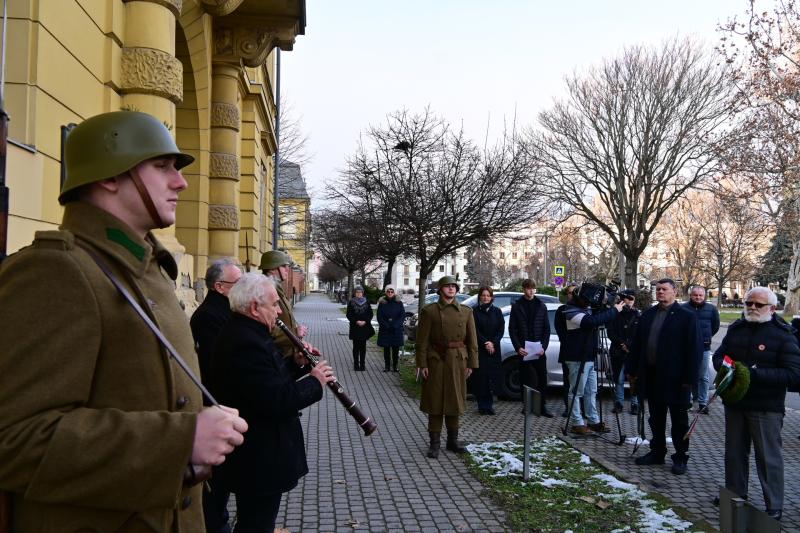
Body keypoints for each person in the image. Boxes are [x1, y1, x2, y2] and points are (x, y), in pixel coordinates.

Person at [0, 110, 247, 531]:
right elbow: (15, 438)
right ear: (109, 176)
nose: (181, 182)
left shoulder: (145, 267)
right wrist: (180, 441)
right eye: (162, 166)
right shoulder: (58, 271)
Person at [211, 273, 335, 532]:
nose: (279, 310)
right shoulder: (246, 342)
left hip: (259, 455)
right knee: (256, 525)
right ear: (255, 307)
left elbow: (267, 383)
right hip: (259, 458)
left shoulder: (249, 333)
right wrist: (314, 381)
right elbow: (275, 401)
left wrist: (297, 364)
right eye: (275, 304)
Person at [711, 287, 800, 521]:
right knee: (734, 454)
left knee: (768, 458)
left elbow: (793, 375)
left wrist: (754, 374)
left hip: (766, 407)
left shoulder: (783, 335)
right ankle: (734, 495)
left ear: (772, 308)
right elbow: (718, 356)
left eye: (758, 305)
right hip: (736, 404)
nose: (751, 307)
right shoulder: (737, 328)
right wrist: (727, 367)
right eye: (748, 303)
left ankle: (774, 504)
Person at [189, 257, 242, 533]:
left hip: (222, 406)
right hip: (215, 406)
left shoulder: (225, 311)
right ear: (220, 286)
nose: (241, 288)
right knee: (216, 483)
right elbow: (215, 367)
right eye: (238, 283)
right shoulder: (210, 316)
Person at [628, 278, 702, 475]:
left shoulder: (686, 316)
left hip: (677, 379)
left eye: (664, 289)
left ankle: (680, 457)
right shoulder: (648, 315)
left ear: (674, 292)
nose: (660, 292)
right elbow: (637, 345)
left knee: (679, 421)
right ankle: (657, 451)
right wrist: (632, 370)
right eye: (658, 289)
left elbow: (694, 350)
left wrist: (689, 380)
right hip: (652, 376)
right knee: (656, 417)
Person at [416, 276, 479, 458]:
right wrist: (422, 363)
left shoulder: (466, 312)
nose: (451, 289)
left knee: (455, 400)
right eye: (448, 286)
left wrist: (472, 364)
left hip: (458, 361)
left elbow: (472, 341)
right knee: (435, 402)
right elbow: (422, 342)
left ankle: (452, 441)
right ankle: (434, 443)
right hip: (436, 361)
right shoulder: (430, 311)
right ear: (440, 289)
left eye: (454, 286)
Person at [558, 283, 624, 435]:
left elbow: (602, 318)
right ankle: (577, 423)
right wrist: (614, 310)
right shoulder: (569, 310)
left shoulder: (585, 308)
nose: (589, 302)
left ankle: (593, 421)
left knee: (591, 391)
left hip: (589, 356)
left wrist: (609, 303)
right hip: (577, 357)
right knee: (576, 391)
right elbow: (590, 322)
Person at [509, 279, 553, 417]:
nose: (531, 291)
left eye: (533, 288)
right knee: (525, 379)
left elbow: (547, 329)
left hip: (538, 349)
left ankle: (542, 406)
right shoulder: (517, 306)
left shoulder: (541, 306)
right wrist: (518, 347)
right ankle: (526, 406)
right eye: (528, 288)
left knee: (541, 378)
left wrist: (544, 347)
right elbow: (512, 329)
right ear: (523, 289)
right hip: (524, 349)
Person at [260, 250, 308, 360]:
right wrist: (295, 334)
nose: (288, 269)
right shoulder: (265, 290)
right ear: (272, 269)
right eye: (284, 266)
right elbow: (267, 327)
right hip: (276, 354)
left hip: (285, 351)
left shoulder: (277, 287)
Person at [682, 285, 720, 414]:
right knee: (686, 375)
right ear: (690, 295)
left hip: (704, 347)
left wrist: (705, 337)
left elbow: (715, 326)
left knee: (703, 376)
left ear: (704, 296)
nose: (698, 297)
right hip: (686, 348)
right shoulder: (683, 309)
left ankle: (703, 403)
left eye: (700, 295)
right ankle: (687, 401)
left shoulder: (711, 309)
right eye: (695, 295)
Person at [472, 286, 505, 415]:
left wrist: (493, 342)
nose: (485, 297)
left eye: (488, 295)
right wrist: (486, 342)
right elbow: (474, 330)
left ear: (492, 297)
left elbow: (500, 329)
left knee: (492, 378)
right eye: (483, 295)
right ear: (480, 296)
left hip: (494, 349)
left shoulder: (497, 311)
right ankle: (482, 405)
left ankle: (489, 405)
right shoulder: (474, 312)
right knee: (481, 378)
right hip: (481, 349)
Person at [608, 289, 640, 415]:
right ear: (623, 300)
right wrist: (622, 344)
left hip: (633, 353)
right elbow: (610, 332)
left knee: (634, 379)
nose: (630, 301)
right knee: (619, 379)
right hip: (618, 351)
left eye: (632, 299)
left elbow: (640, 334)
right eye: (628, 298)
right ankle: (619, 403)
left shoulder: (638, 315)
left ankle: (635, 404)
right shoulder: (615, 314)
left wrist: (630, 347)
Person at [555, 283, 578, 417]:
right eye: (570, 292)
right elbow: (561, 331)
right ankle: (568, 408)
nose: (573, 295)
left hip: (582, 353)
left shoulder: (584, 309)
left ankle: (580, 408)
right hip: (568, 352)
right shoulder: (562, 310)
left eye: (575, 292)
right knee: (568, 382)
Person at [377, 285, 405, 372]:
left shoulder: (399, 303)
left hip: (396, 330)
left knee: (395, 349)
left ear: (394, 292)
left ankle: (395, 366)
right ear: (386, 292)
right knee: (386, 349)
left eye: (392, 291)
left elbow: (402, 316)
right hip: (385, 329)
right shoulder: (382, 303)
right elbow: (379, 316)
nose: (390, 293)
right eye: (388, 291)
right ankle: (387, 366)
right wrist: (387, 326)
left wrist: (395, 326)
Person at [347, 286, 375, 371]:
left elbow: (370, 314)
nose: (359, 294)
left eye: (360, 292)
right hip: (355, 327)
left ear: (363, 293)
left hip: (364, 327)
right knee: (356, 347)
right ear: (355, 293)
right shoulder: (351, 302)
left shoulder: (367, 302)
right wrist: (356, 321)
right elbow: (348, 315)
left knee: (363, 347)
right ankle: (356, 364)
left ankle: (362, 364)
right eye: (357, 292)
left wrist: (365, 321)